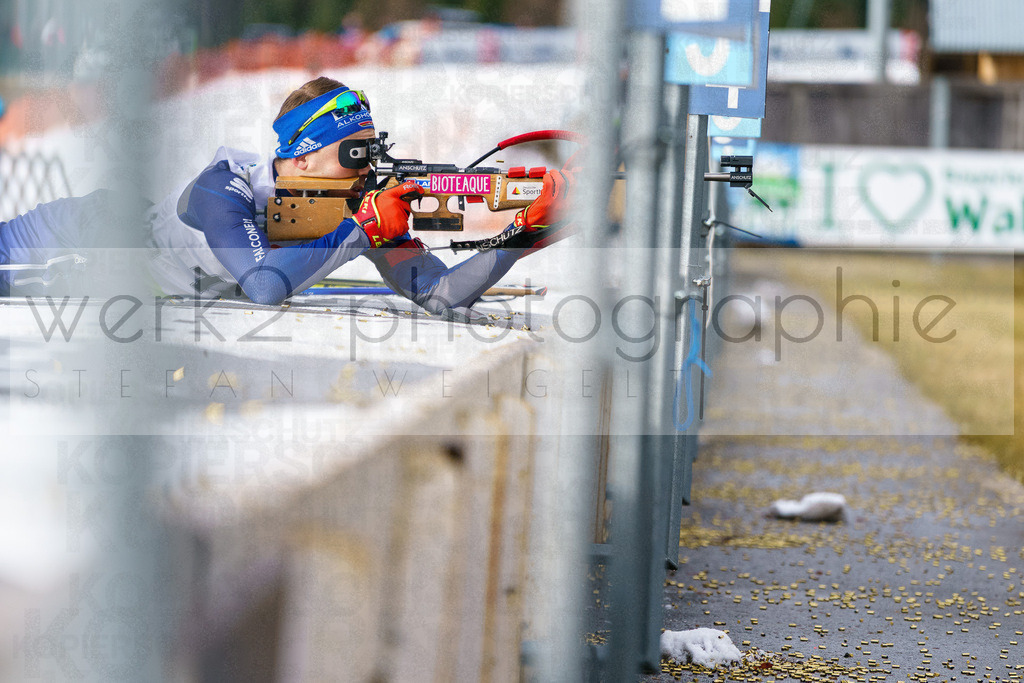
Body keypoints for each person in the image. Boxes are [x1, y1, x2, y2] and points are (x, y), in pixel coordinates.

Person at [145, 76, 574, 316]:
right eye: (354, 153)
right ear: (302, 158)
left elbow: (441, 293)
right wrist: (362, 229)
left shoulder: (350, 209)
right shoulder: (222, 187)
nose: (367, 168)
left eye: (372, 151)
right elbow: (263, 286)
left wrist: (523, 235)